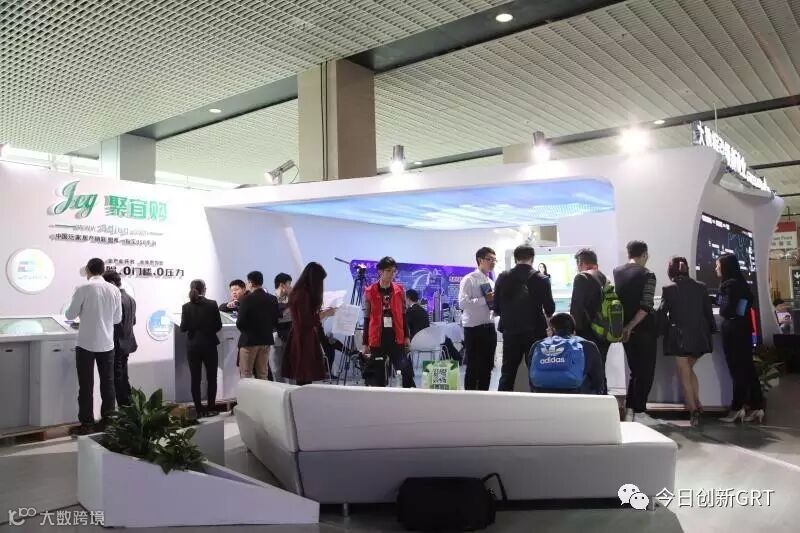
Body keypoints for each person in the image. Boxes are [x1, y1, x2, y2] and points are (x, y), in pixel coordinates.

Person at [65, 258, 122, 435]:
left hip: (86, 344)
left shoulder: (82, 288)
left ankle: (87, 424)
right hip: (107, 344)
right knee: (108, 384)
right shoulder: (114, 290)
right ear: (103, 271)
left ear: (89, 271)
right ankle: (108, 422)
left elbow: (70, 314)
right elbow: (117, 319)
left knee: (86, 385)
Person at [658, 256, 716, 427]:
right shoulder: (701, 287)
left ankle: (693, 410)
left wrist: (662, 330)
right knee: (689, 369)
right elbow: (708, 313)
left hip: (680, 338)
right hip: (700, 337)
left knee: (684, 372)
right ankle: (697, 402)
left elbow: (661, 313)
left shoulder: (669, 289)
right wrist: (712, 330)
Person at [494, 245, 555, 392]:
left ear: (515, 259)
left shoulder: (503, 277)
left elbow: (496, 307)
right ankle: (536, 400)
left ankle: (502, 401)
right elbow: (549, 309)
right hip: (535, 331)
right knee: (536, 370)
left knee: (507, 372)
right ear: (532, 259)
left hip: (510, 330)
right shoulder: (542, 279)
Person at [614, 241, 658, 425]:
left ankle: (630, 411)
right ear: (645, 254)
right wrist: (631, 326)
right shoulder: (648, 274)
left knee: (635, 371)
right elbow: (646, 306)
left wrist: (625, 327)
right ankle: (640, 412)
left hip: (624, 330)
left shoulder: (617, 272)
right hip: (643, 329)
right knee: (645, 372)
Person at [717, 253, 764, 423]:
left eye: (718, 265)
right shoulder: (742, 284)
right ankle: (757, 406)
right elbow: (743, 307)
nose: (716, 268)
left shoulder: (728, 285)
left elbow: (726, 309)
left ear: (725, 267)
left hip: (733, 331)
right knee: (748, 368)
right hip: (743, 329)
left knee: (737, 369)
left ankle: (737, 408)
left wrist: (724, 308)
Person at [363, 256, 415, 388]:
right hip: (377, 340)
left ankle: (410, 396)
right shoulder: (369, 291)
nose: (392, 274)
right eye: (388, 271)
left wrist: (407, 336)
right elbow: (366, 318)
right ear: (380, 271)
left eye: (394, 271)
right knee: (378, 378)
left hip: (396, 338)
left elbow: (403, 315)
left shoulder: (399, 290)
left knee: (406, 372)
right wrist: (365, 342)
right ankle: (381, 400)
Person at [284, 262, 336, 385]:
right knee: (304, 376)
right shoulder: (302, 294)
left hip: (302, 337)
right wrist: (326, 313)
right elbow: (306, 321)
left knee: (304, 376)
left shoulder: (299, 293)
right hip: (303, 339)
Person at [529, 313, 605, 394]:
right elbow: (598, 381)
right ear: (574, 332)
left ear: (552, 330)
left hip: (544, 396)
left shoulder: (537, 345)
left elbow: (531, 379)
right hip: (577, 397)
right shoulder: (587, 346)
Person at [180, 279, 223, 417]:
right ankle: (211, 407)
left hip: (193, 346)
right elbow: (218, 325)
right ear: (204, 289)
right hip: (210, 344)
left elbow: (183, 328)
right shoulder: (212, 304)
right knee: (212, 378)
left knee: (195, 378)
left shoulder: (186, 306)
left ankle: (199, 409)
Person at [458, 246, 498, 391]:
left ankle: (484, 396)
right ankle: (470, 397)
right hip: (474, 329)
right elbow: (462, 303)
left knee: (487, 366)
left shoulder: (491, 282)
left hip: (489, 328)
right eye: (489, 259)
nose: (492, 263)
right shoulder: (469, 279)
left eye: (494, 260)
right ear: (480, 260)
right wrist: (484, 299)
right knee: (473, 366)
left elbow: (491, 304)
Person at [569, 248, 610, 389]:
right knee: (599, 369)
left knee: (587, 371)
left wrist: (573, 330)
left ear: (581, 263)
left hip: (587, 332)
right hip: (603, 331)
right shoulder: (602, 277)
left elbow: (576, 307)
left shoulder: (581, 277)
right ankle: (603, 396)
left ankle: (592, 398)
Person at [102, 271, 137, 407]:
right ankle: (129, 407)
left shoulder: (116, 300)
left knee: (117, 378)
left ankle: (124, 408)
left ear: (111, 283)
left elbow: (114, 323)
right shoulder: (131, 299)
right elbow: (133, 321)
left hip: (116, 343)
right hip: (127, 343)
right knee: (123, 376)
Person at [236, 271, 279, 379]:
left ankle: (247, 392)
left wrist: (247, 331)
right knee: (263, 374)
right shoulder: (272, 298)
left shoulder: (246, 299)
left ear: (250, 283)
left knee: (246, 374)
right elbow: (275, 319)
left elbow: (240, 322)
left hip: (249, 340)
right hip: (266, 340)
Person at [271, 272, 293, 382]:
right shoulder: (271, 298)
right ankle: (280, 389)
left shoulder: (290, 298)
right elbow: (276, 317)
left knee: (291, 366)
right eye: (289, 284)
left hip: (290, 335)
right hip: (276, 336)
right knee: (276, 368)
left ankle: (293, 390)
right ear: (282, 285)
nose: (291, 287)